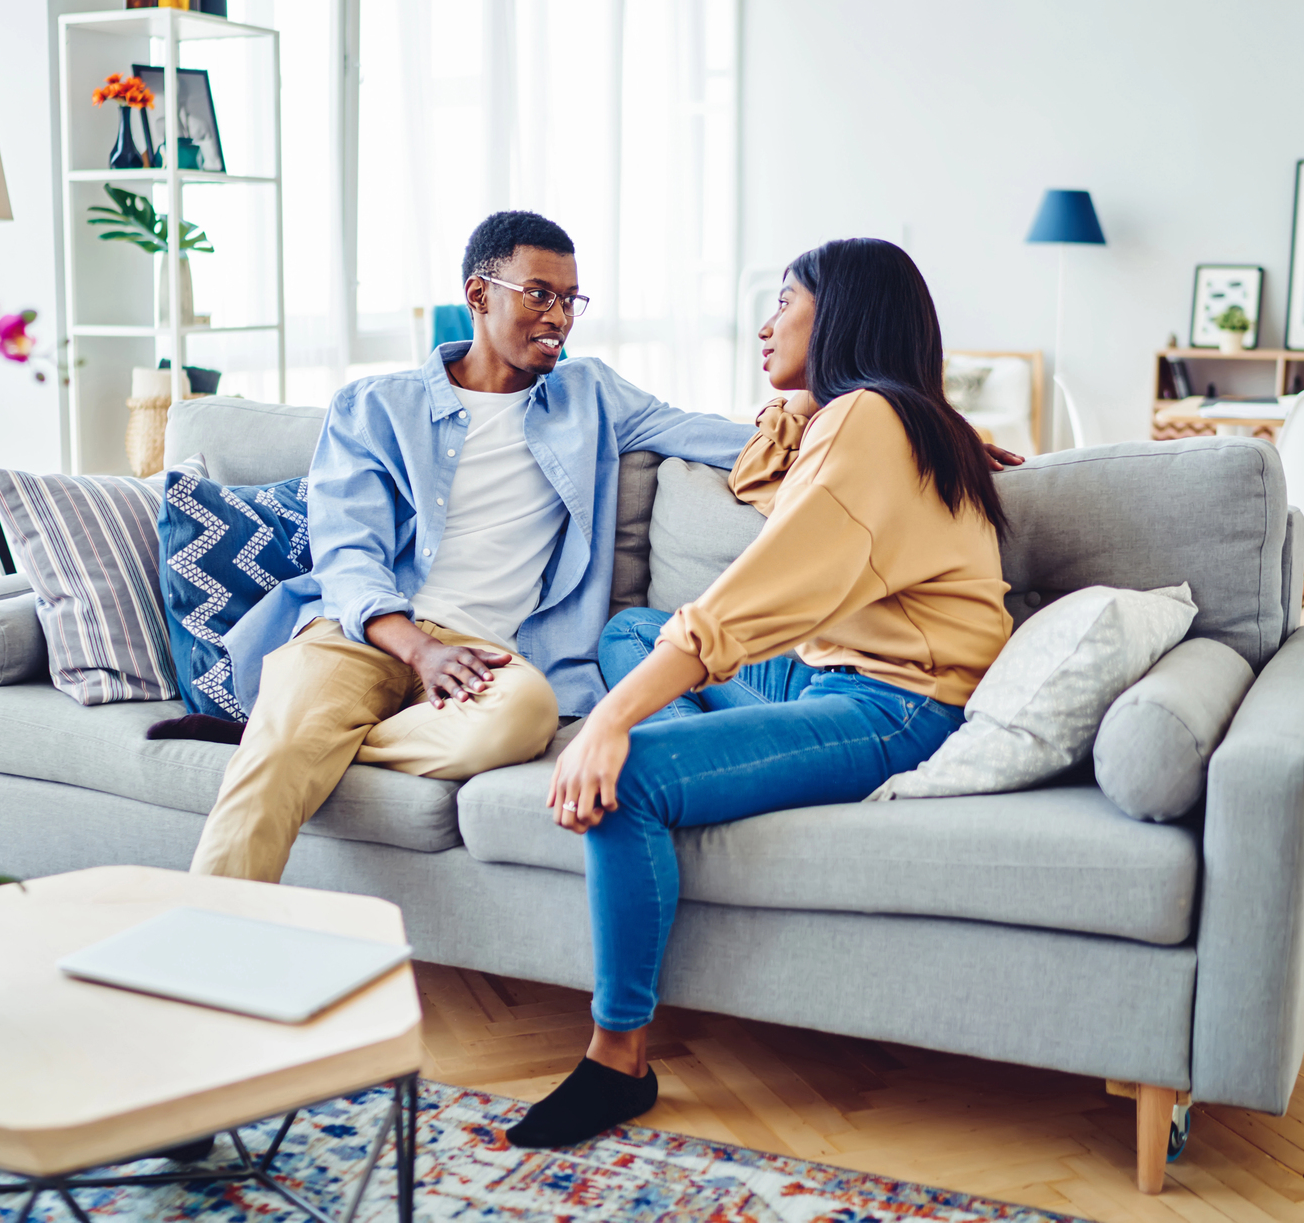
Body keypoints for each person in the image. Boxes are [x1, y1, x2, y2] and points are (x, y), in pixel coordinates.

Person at [505, 237, 1014, 1149]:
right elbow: (770, 470)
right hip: (826, 673)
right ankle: (723, 747)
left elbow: (753, 594)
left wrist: (613, 720)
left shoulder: (871, 422)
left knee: (633, 779)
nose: (764, 323)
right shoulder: (879, 421)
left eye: (785, 300)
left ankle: (617, 1063)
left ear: (846, 313)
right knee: (628, 631)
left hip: (898, 706)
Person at [188, 211, 756, 883]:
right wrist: (418, 647)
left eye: (571, 299)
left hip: (486, 657)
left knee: (525, 717)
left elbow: (713, 436)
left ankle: (321, 738)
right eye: (539, 294)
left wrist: (831, 421)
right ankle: (207, 947)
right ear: (479, 295)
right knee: (280, 750)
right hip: (362, 635)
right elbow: (348, 554)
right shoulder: (375, 407)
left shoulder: (591, 396)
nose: (560, 317)